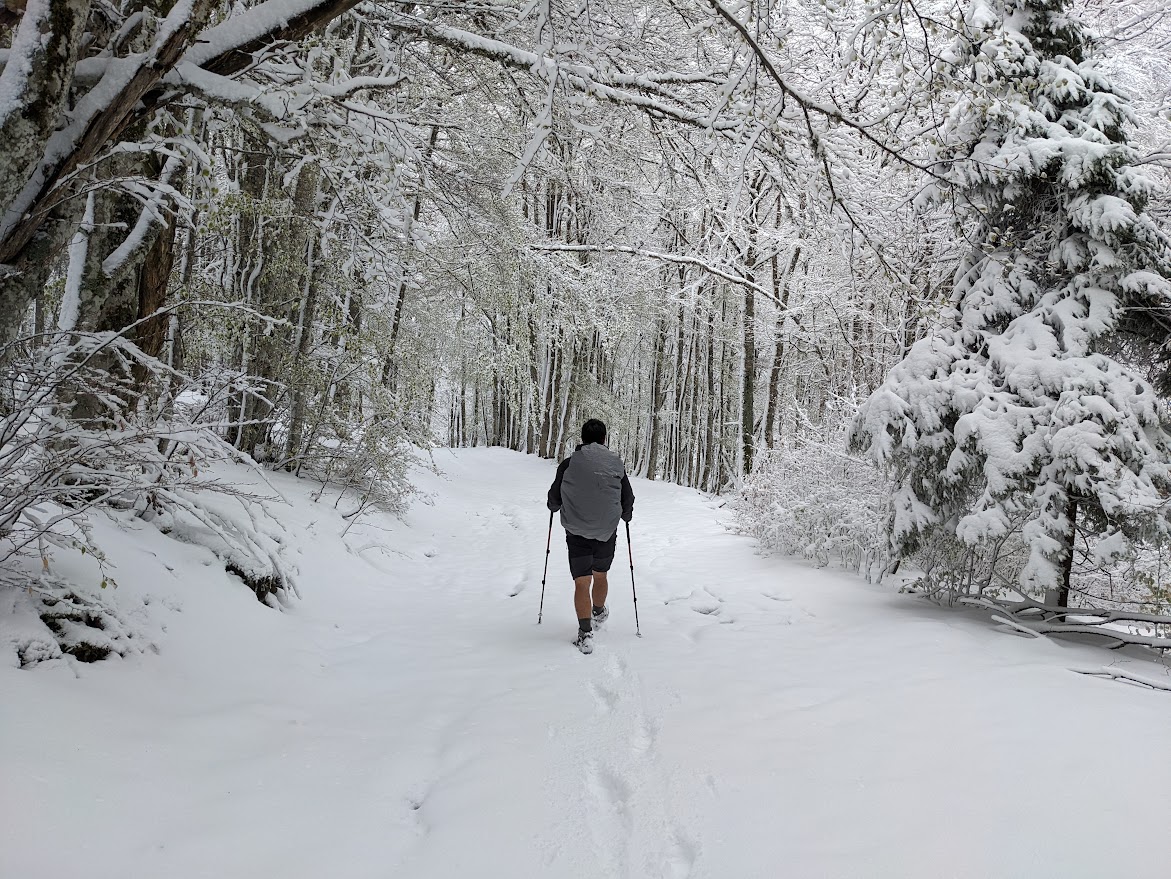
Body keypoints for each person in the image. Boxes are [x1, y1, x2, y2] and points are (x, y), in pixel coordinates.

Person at [547, 418, 635, 653]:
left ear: (583, 439)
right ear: (604, 439)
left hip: (576, 531)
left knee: (581, 581)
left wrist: (554, 506)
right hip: (606, 531)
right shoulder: (616, 464)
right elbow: (627, 497)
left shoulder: (568, 464)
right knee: (601, 574)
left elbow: (554, 498)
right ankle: (598, 611)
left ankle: (585, 633)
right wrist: (626, 515)